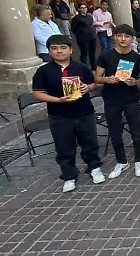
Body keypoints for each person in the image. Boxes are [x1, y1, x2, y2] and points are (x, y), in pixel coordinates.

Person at [31, 34, 104, 193]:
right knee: (64, 147)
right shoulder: (43, 71)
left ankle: (94, 168)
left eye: (63, 48)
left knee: (90, 142)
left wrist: (88, 88)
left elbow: (94, 83)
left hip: (84, 112)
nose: (59, 51)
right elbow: (37, 93)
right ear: (49, 51)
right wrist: (57, 100)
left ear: (70, 50)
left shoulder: (81, 67)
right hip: (59, 115)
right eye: (54, 48)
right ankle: (69, 175)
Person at [95, 24, 140, 178]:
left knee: (136, 132)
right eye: (120, 35)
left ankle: (139, 161)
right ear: (115, 37)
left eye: (126, 36)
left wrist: (135, 82)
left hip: (131, 98)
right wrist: (107, 79)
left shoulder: (137, 58)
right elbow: (97, 78)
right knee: (115, 133)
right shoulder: (106, 56)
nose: (123, 39)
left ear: (132, 39)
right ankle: (121, 162)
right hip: (111, 99)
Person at [71, 3, 97, 70]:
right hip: (83, 38)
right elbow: (73, 29)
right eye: (82, 8)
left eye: (85, 7)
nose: (84, 9)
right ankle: (84, 68)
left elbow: (92, 25)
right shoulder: (76, 18)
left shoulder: (89, 17)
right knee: (84, 53)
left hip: (92, 37)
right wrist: (80, 34)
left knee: (92, 53)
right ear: (79, 9)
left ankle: (93, 66)